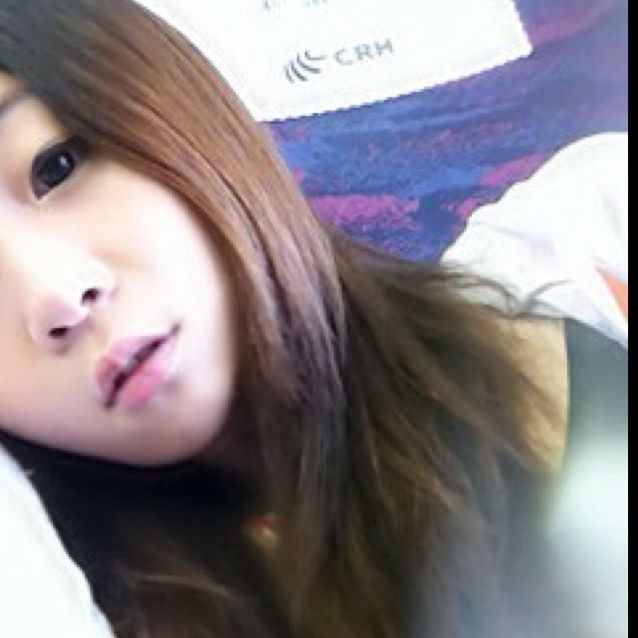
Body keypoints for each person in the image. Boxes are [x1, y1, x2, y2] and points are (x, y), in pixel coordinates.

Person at [0, 1, 623, 637]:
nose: (58, 295)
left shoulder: (589, 251)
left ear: (177, 111)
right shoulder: (55, 600)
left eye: (56, 167)